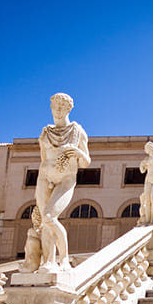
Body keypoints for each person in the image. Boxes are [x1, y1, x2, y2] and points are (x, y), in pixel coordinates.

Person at [31, 93, 91, 272]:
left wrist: (78, 153)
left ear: (68, 109)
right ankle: (48, 262)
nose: (57, 110)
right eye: (55, 106)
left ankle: (64, 259)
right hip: (44, 177)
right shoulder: (45, 132)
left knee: (50, 217)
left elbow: (86, 162)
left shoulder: (77, 131)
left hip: (66, 179)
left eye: (62, 107)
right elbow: (43, 158)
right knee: (45, 222)